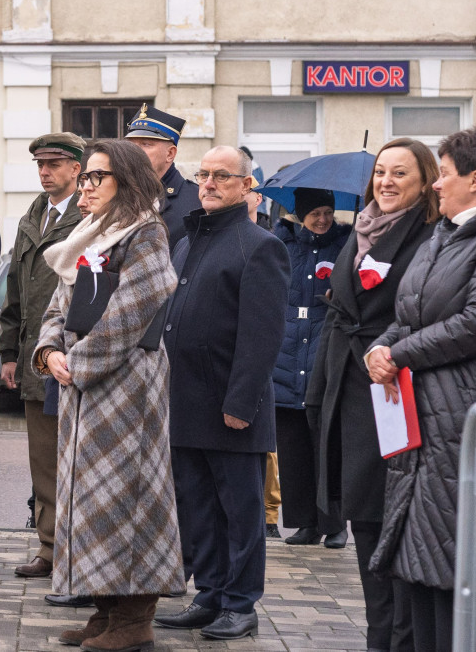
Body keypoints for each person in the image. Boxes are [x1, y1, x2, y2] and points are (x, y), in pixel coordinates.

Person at [32, 139, 184, 652]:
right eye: (88, 176)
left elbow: (139, 304)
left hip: (127, 388)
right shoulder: (90, 237)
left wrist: (80, 363)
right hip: (83, 387)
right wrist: (49, 351)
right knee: (91, 500)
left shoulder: (147, 232)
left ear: (127, 179)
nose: (87, 185)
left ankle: (136, 617)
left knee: (129, 498)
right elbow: (59, 304)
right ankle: (106, 609)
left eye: (98, 176)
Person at [365, 128, 476, 651]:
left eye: (443, 174)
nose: (436, 186)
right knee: (418, 567)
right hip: (422, 424)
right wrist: (378, 349)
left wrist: (398, 354)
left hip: (465, 421)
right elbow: (407, 314)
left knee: (456, 567)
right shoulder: (443, 234)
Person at [306, 137, 441, 652]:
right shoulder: (359, 230)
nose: (385, 182)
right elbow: (342, 311)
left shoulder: (431, 236)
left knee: (393, 529)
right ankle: (377, 636)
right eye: (380, 172)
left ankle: (397, 640)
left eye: (399, 174)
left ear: (425, 181)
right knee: (365, 522)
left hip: (396, 397)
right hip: (348, 391)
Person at [156, 146, 289, 641]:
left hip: (230, 407)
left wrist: (241, 403)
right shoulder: (187, 240)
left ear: (245, 185)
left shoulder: (259, 245)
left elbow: (261, 336)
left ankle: (240, 603)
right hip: (184, 401)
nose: (208, 183)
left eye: (221, 176)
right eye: (204, 174)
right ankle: (208, 595)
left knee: (240, 512)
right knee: (198, 509)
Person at [0, 132, 85, 594]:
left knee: (76, 461)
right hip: (35, 358)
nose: (45, 171)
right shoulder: (33, 214)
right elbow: (16, 287)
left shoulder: (88, 211)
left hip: (73, 357)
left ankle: (75, 551)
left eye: (54, 164)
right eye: (39, 164)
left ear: (76, 168)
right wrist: (8, 352)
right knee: (43, 462)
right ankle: (49, 548)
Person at [271, 188, 350, 549]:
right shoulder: (281, 244)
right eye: (314, 213)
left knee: (327, 442)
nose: (322, 219)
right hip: (286, 349)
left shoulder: (346, 244)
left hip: (324, 341)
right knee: (292, 445)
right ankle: (304, 522)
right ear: (300, 214)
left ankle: (335, 523)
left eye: (327, 212)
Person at [243, 187, 283, 540]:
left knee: (266, 450)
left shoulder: (268, 243)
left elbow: (265, 326)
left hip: (257, 375)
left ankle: (270, 514)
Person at [124, 103, 200, 251]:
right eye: (131, 146)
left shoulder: (196, 201)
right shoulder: (119, 195)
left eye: (146, 144)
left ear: (170, 154)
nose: (134, 152)